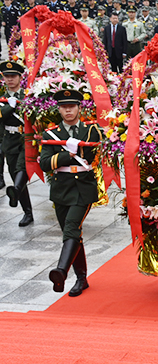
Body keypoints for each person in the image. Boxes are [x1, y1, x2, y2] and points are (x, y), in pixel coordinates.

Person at [40, 90, 101, 297]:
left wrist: (72, 151)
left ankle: (61, 271)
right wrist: (68, 154)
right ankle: (81, 278)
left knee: (71, 228)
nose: (68, 110)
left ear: (79, 108)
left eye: (72, 106)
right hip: (61, 189)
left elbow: (93, 153)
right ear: (58, 109)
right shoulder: (51, 134)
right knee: (73, 235)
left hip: (83, 188)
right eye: (64, 107)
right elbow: (45, 164)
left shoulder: (91, 130)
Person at [0, 61, 34, 227]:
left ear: (20, 77)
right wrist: (9, 107)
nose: (10, 79)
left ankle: (17, 192)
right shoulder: (2, 97)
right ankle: (27, 211)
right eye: (7, 76)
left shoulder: (28, 96)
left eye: (13, 76)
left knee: (22, 168)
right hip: (10, 140)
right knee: (15, 174)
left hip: (26, 138)